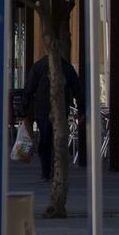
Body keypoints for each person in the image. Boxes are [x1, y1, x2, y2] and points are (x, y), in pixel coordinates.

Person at [22, 51, 83, 182]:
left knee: (45, 140)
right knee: (58, 140)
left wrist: (24, 110)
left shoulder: (39, 66)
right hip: (59, 109)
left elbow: (29, 89)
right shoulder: (65, 67)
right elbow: (77, 89)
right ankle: (55, 170)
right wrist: (81, 110)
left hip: (43, 109)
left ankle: (46, 171)